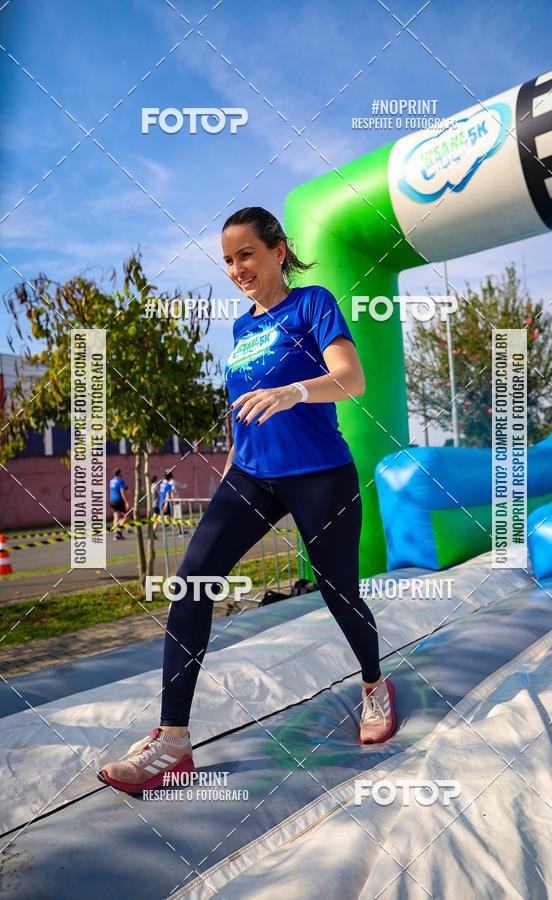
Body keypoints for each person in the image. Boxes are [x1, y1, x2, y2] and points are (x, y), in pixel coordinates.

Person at [98, 206, 396, 794]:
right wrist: (231, 474)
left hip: (320, 474)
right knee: (193, 581)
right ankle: (174, 739)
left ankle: (373, 685)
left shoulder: (313, 304)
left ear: (278, 250)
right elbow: (242, 415)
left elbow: (352, 379)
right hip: (252, 476)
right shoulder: (240, 328)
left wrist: (294, 393)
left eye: (247, 255)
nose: (237, 268)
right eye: (229, 260)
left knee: (339, 590)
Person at [158, 471, 183, 537]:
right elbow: (168, 496)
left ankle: (156, 531)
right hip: (168, 505)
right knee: (175, 518)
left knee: (160, 518)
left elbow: (161, 494)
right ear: (170, 477)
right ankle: (180, 532)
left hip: (161, 503)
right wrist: (167, 504)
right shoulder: (168, 485)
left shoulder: (161, 484)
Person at [108, 468, 129, 541]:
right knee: (126, 516)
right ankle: (119, 531)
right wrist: (126, 502)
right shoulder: (120, 481)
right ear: (119, 473)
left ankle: (116, 533)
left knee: (116, 517)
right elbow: (122, 492)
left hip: (112, 501)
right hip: (119, 501)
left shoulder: (111, 481)